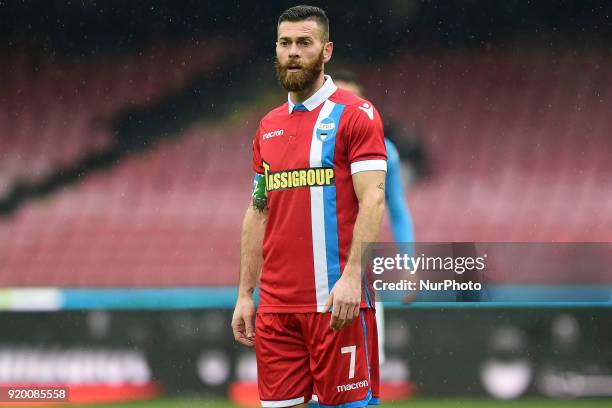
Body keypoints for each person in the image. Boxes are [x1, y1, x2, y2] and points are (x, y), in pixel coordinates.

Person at [231, 5, 387, 408]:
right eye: (285, 43)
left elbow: (374, 197)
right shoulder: (268, 126)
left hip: (336, 304)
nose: (293, 52)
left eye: (304, 42)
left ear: (326, 50)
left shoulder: (356, 115)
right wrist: (246, 294)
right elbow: (258, 209)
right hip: (277, 312)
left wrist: (353, 276)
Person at [333, 71, 416, 365]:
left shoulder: (383, 151)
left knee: (365, 367)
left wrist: (408, 264)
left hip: (359, 272)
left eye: (350, 100)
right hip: (309, 274)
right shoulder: (307, 149)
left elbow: (397, 208)